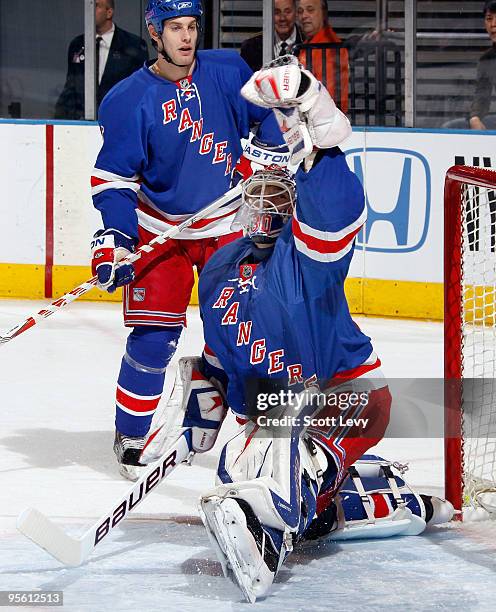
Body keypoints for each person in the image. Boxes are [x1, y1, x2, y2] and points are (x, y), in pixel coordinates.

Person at [140, 59, 455, 603]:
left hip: (343, 397)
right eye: (256, 189)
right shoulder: (219, 269)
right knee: (246, 484)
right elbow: (221, 359)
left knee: (291, 465)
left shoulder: (305, 255)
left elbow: (335, 209)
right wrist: (204, 400)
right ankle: (364, 500)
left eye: (278, 193)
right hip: (274, 408)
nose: (264, 205)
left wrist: (321, 129)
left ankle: (284, 520)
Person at [89, 0, 285, 481]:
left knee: (239, 333)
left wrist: (271, 158)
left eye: (192, 26)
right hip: (161, 233)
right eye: (175, 27)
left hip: (226, 227)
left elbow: (267, 125)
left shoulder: (228, 70)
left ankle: (245, 428)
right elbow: (114, 179)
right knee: (153, 339)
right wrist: (115, 236)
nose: (186, 37)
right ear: (155, 33)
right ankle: (132, 436)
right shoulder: (127, 99)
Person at [54, 0, 149, 119]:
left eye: (96, 5)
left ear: (109, 12)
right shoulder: (77, 45)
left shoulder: (133, 45)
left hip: (119, 121)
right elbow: (71, 86)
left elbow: (139, 90)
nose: (90, 9)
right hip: (81, 123)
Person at [445, 1, 496, 130]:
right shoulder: (487, 59)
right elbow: (482, 94)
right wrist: (475, 117)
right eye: (489, 19)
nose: (493, 25)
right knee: (451, 127)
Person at [296, 0, 349, 112]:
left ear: (324, 14)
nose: (304, 16)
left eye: (310, 10)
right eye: (300, 11)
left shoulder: (329, 49)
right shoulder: (311, 45)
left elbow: (328, 99)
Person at [240, 0, 303, 72]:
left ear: (296, 13)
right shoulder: (251, 46)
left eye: (287, 12)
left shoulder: (308, 42)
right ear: (269, 14)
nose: (282, 18)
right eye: (276, 12)